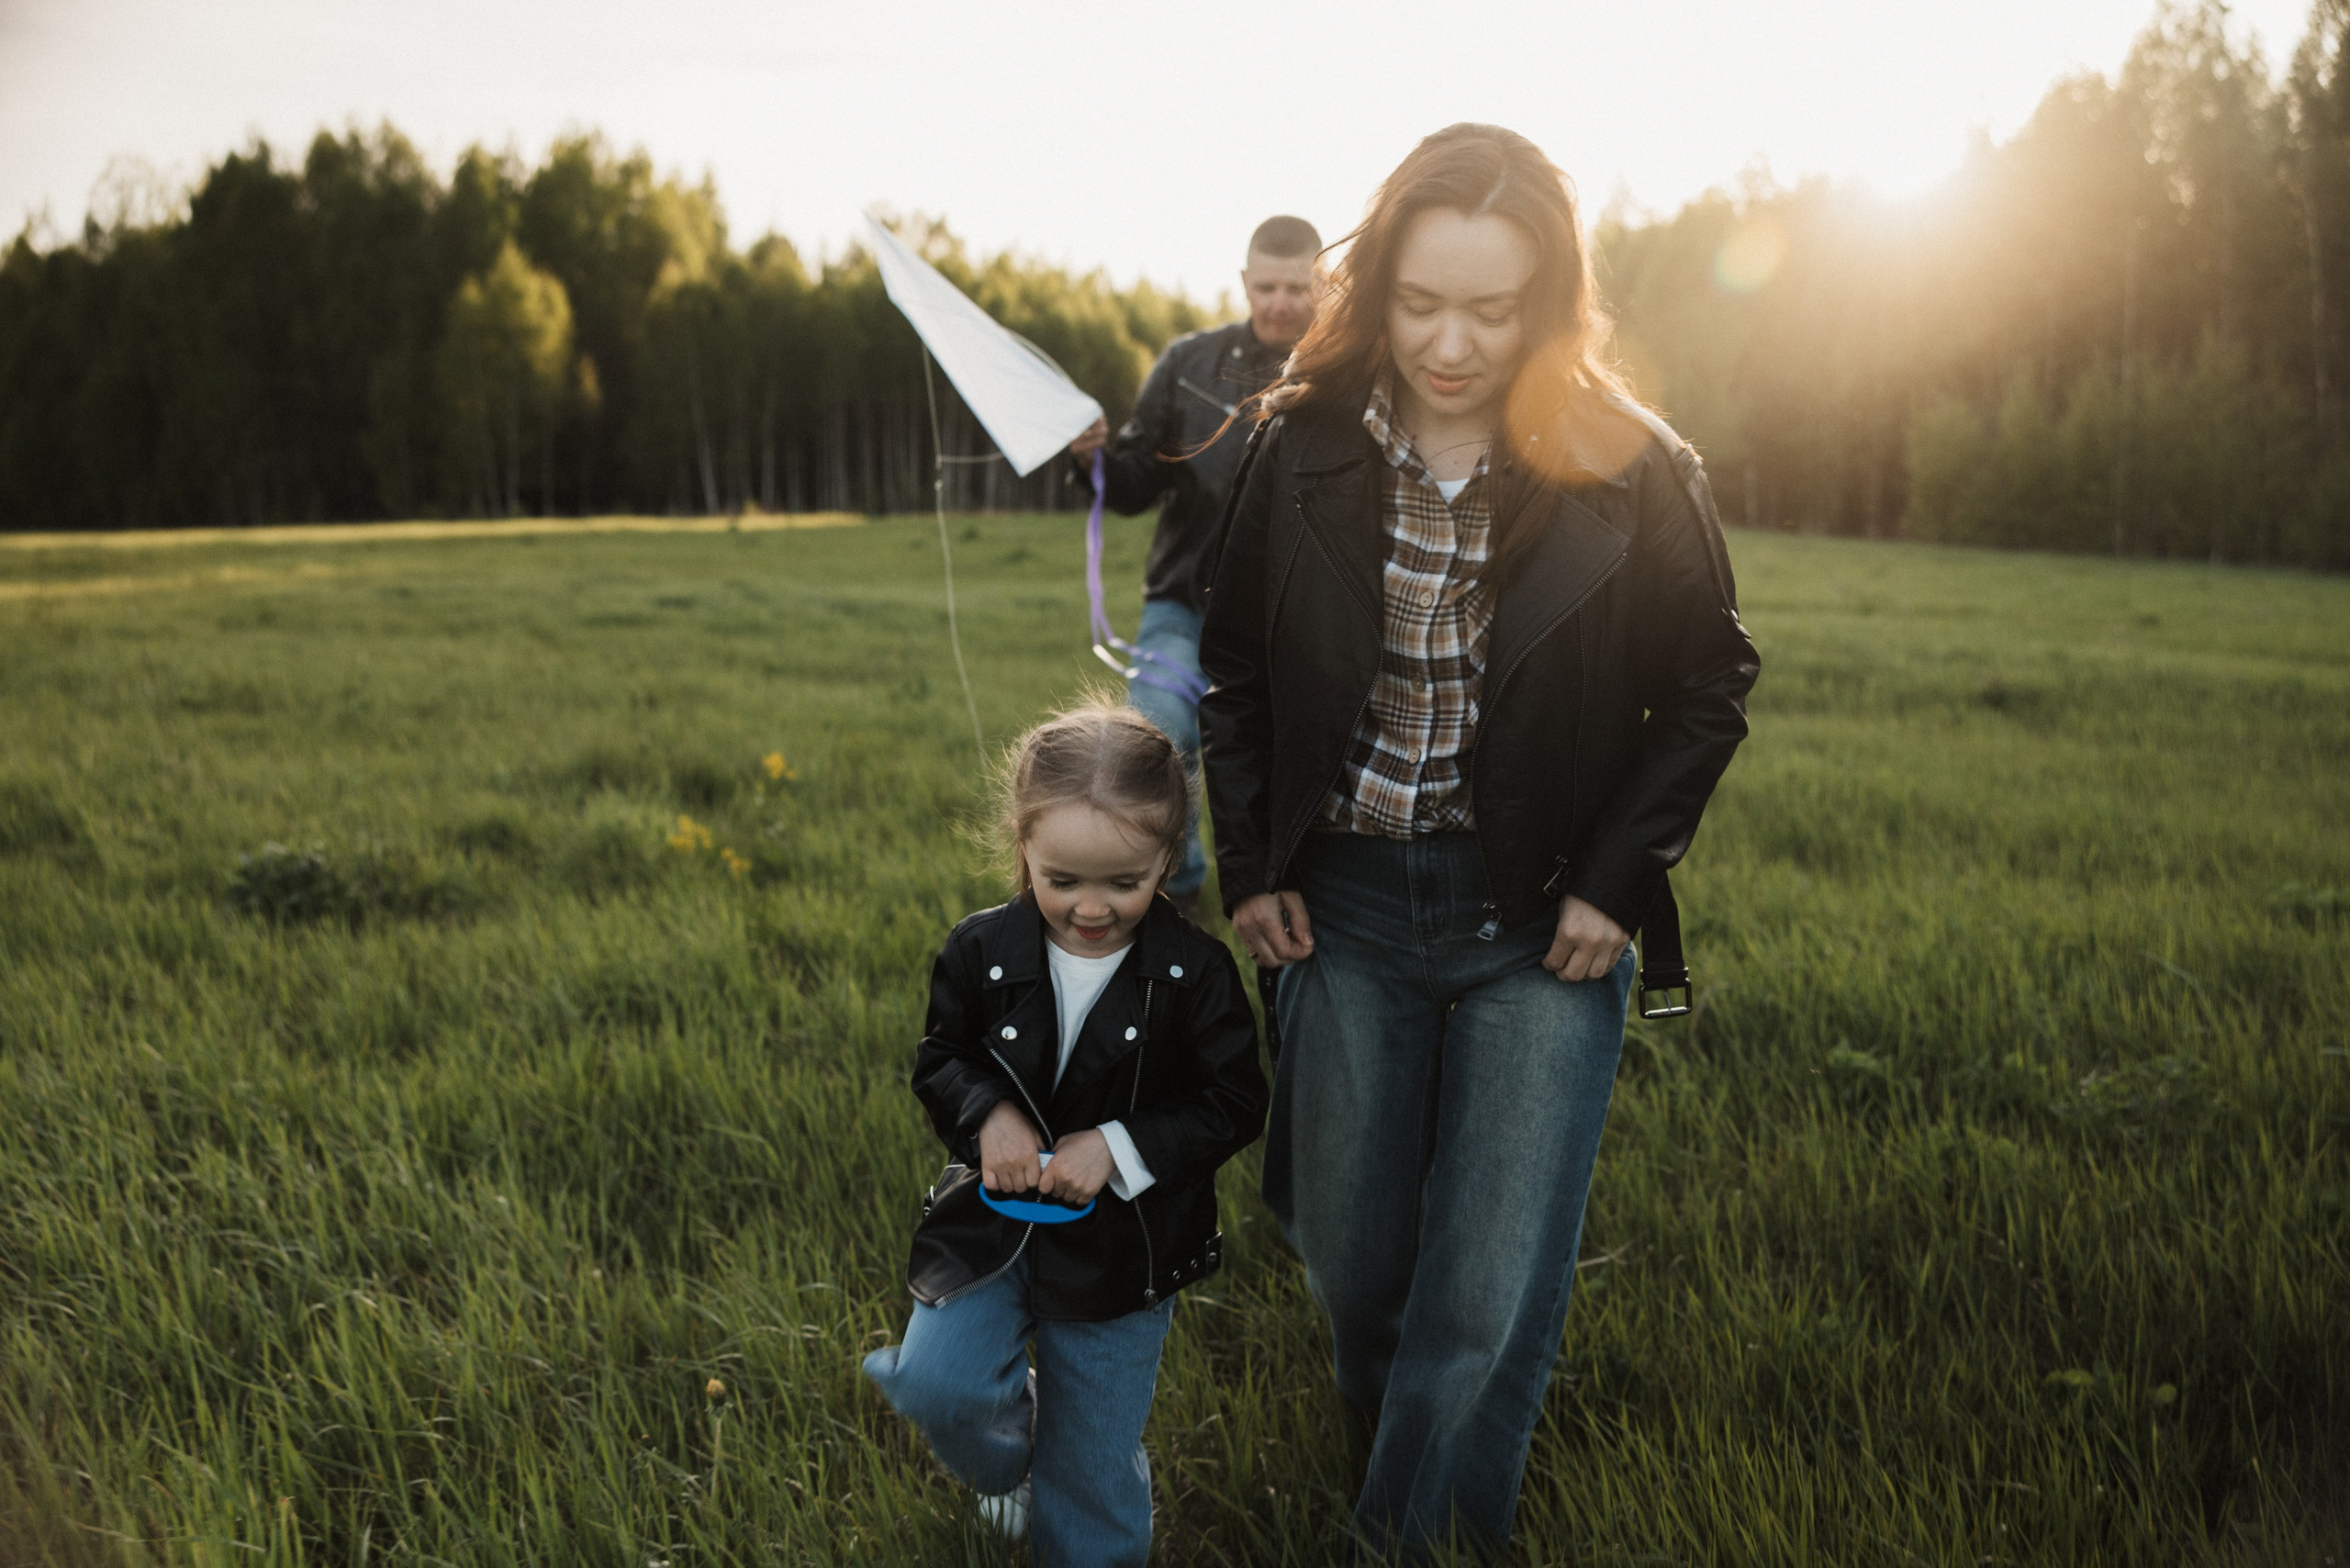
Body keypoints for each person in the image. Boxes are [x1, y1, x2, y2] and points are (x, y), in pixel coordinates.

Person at [1198, 124, 1761, 1562]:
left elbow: (1708, 689)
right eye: (1421, 303)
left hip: (1542, 928)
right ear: (1375, 289)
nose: (1452, 343)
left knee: (1489, 1284)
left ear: (1551, 304)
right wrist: (1254, 863)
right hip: (1347, 911)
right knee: (1355, 1259)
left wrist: (1618, 886)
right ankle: (1401, 1463)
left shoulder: (1635, 468)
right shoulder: (1294, 448)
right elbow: (1237, 676)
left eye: (1494, 310)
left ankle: (1416, 1537)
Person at [861, 698, 1269, 1568]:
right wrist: (990, 1115)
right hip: (993, 1225)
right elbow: (942, 1059)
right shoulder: (981, 951)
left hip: (1127, 1250)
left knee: (1091, 1475)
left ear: (1169, 858)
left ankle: (1081, 1504)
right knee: (939, 1385)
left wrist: (1119, 1147)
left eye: (1125, 882)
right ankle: (1013, 1467)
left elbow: (1235, 1099)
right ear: (1023, 849)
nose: (1091, 908)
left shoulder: (1193, 975)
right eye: (1062, 880)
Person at [1067, 215, 1323, 922]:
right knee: (1154, 736)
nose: (1280, 303)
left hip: (1295, 618)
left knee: (1283, 766)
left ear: (1324, 286)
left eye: (1297, 287)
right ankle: (1178, 889)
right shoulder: (1186, 363)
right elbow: (1130, 487)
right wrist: (1090, 457)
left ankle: (1286, 893)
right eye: (1266, 286)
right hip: (1184, 603)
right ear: (1244, 284)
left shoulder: (1348, 373)